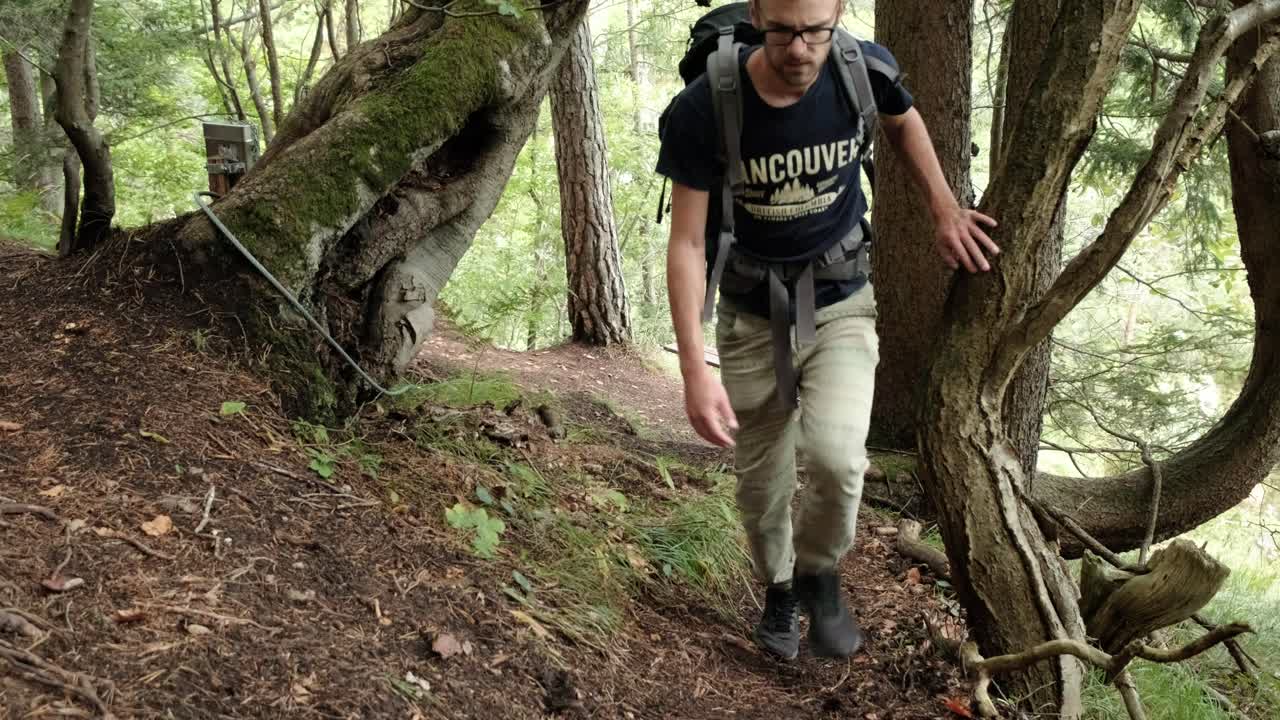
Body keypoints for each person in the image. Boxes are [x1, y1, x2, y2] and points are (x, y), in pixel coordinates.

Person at [657, 0, 999, 661]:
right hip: (751, 314)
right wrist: (695, 370)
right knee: (763, 485)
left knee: (839, 458)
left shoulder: (856, 70)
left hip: (841, 300)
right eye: (782, 31)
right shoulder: (710, 105)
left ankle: (818, 572)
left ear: (839, 14)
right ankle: (779, 590)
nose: (800, 49)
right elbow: (687, 244)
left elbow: (905, 122)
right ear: (757, 15)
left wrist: (945, 208)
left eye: (816, 30)